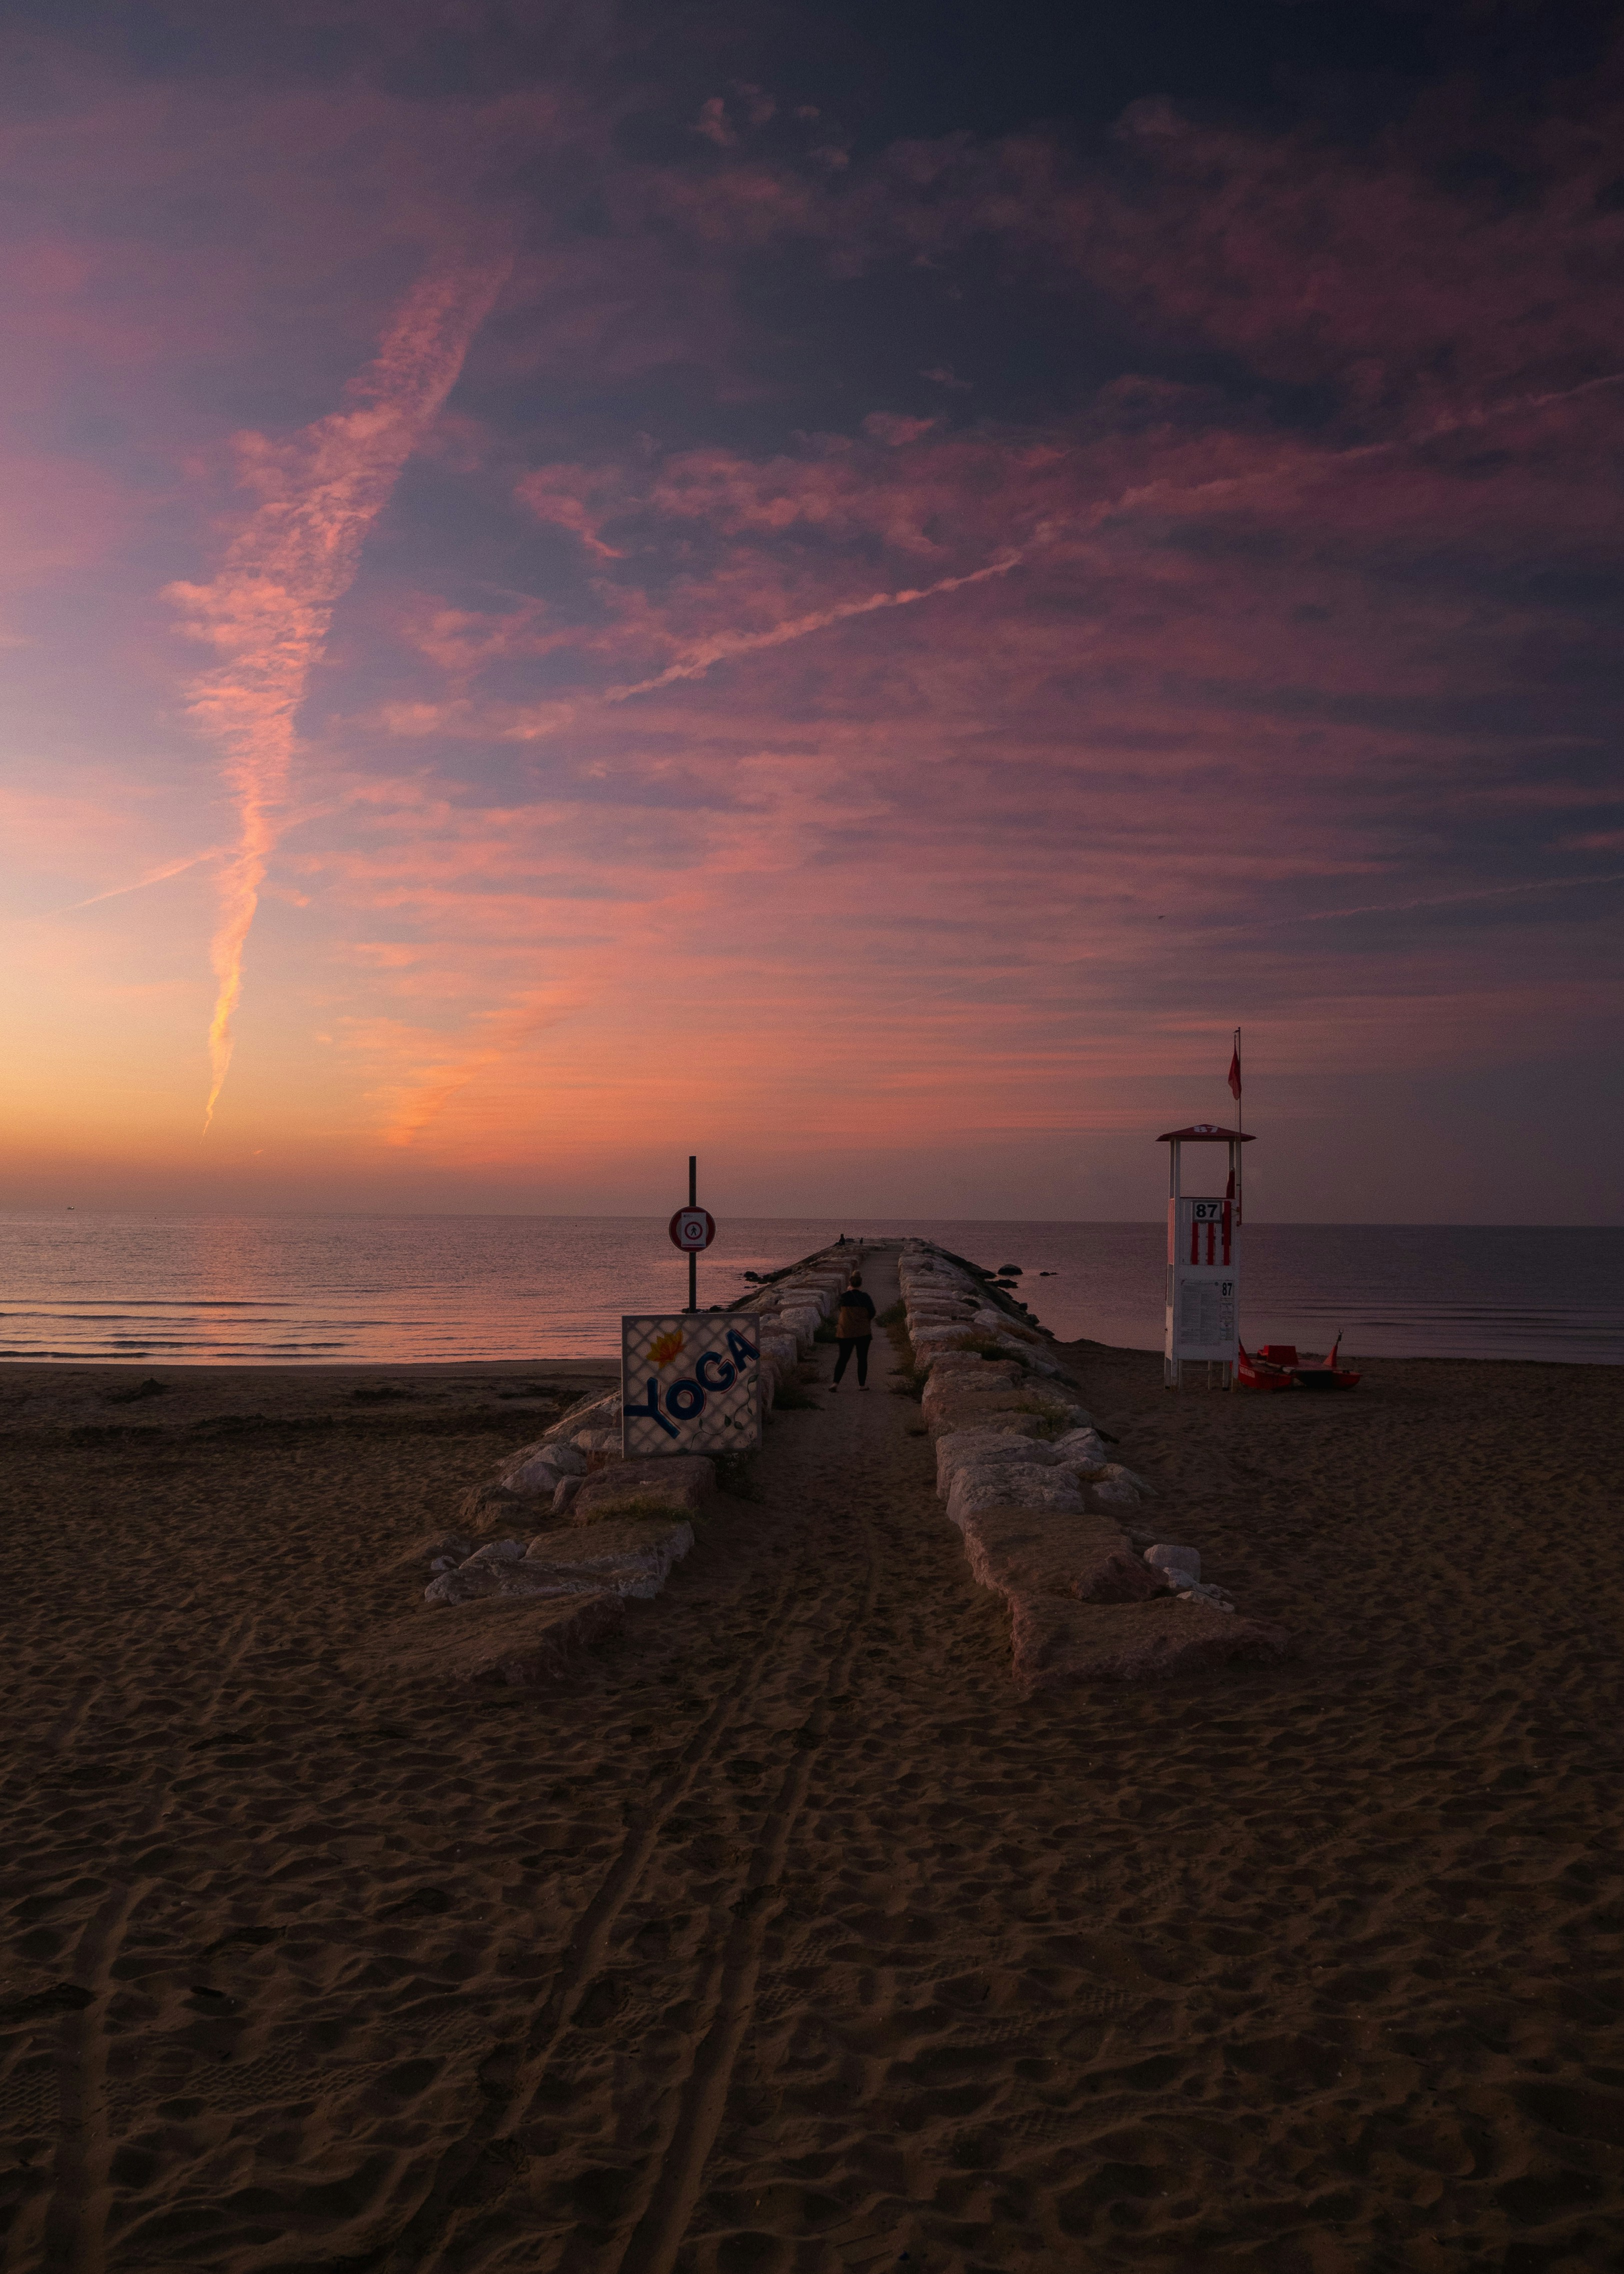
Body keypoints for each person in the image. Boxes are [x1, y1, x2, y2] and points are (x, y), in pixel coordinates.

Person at [830, 1271, 876, 1391]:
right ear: (861, 1283)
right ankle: (862, 1385)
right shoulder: (866, 1297)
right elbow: (872, 1313)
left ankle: (835, 1384)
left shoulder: (844, 1297)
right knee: (862, 1359)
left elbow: (839, 1308)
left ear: (850, 1283)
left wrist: (847, 1292)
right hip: (863, 1333)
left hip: (845, 1332)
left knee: (843, 1359)